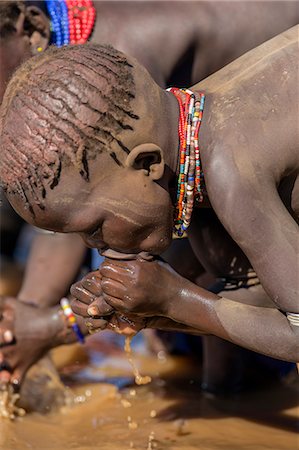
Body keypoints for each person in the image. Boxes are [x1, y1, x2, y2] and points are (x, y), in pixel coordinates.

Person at [0, 0, 297, 389]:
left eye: (94, 229)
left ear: (148, 165)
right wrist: (158, 309)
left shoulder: (228, 174)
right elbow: (257, 297)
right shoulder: (191, 155)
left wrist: (176, 298)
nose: (95, 248)